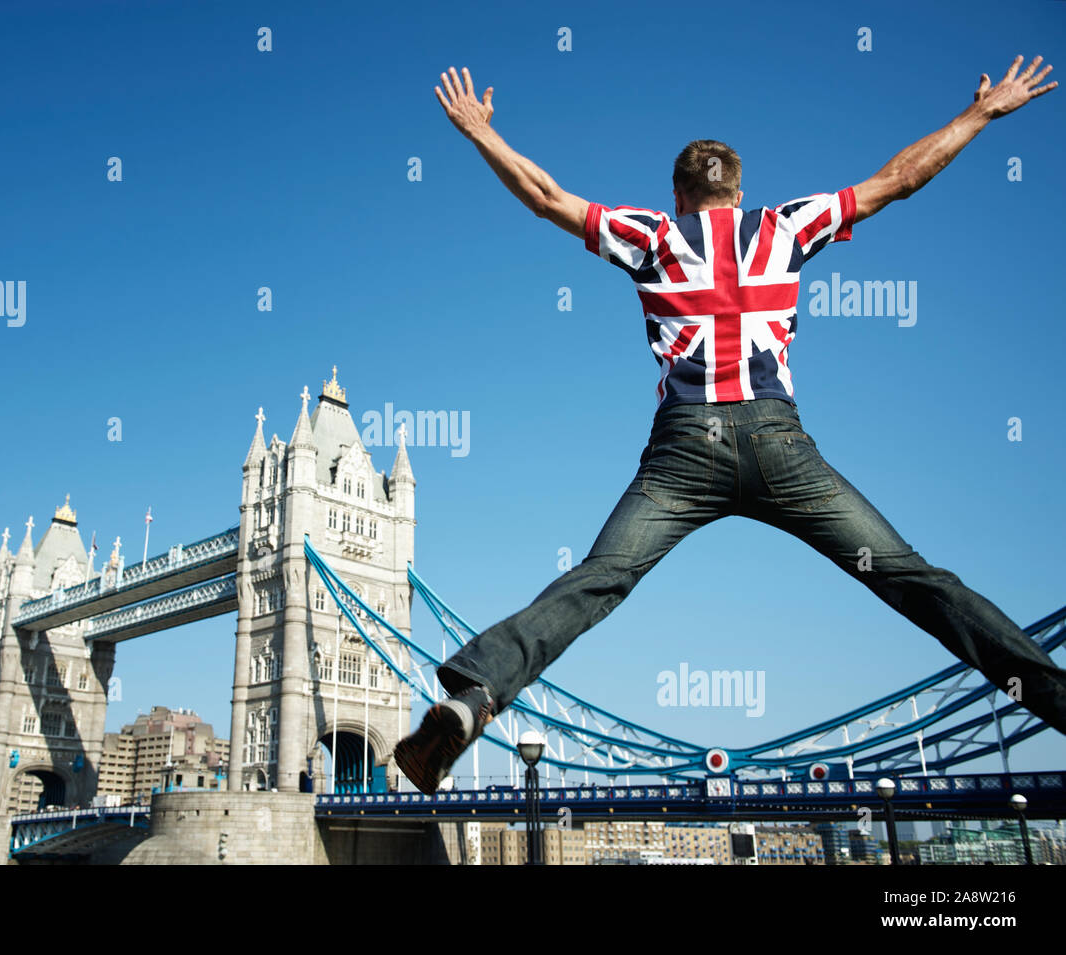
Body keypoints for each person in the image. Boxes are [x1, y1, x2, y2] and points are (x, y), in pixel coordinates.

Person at [393, 58, 1065, 796]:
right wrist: (980, 115)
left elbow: (547, 196)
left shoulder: (652, 234)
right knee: (911, 578)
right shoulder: (784, 226)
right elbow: (900, 177)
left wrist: (482, 133)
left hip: (685, 450)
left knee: (600, 579)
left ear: (677, 195)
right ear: (740, 191)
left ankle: (474, 696)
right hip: (780, 446)